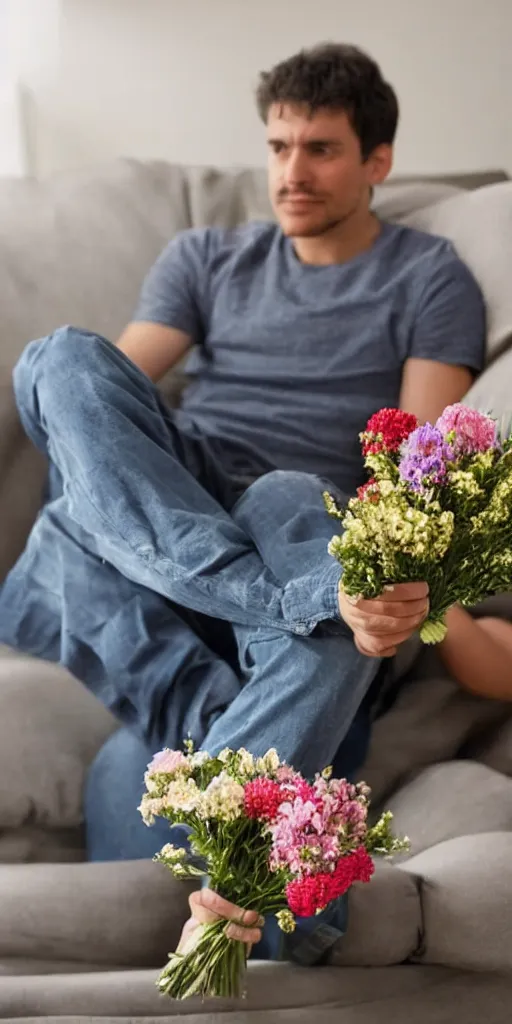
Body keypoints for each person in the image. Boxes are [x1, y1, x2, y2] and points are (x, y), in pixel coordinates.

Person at [0, 42, 485, 960]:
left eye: (322, 149)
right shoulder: (207, 257)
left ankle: (247, 776)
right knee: (60, 357)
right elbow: (102, 417)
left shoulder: (429, 278)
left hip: (299, 524)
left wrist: (381, 577)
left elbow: (412, 475)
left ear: (377, 161)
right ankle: (297, 620)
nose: (291, 173)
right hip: (188, 506)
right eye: (278, 147)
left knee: (290, 498)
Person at [176, 604, 512, 955]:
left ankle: (255, 913)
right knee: (118, 569)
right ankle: (233, 880)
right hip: (245, 669)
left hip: (361, 728)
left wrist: (418, 597)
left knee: (339, 641)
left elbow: (500, 665)